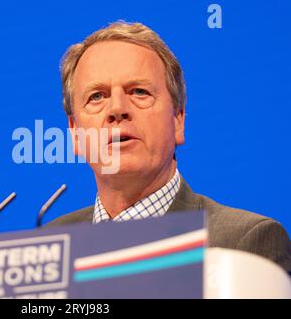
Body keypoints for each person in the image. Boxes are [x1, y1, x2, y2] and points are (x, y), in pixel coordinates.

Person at [46, 21, 291, 273]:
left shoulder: (242, 246)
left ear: (178, 120)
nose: (117, 108)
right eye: (97, 96)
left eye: (139, 92)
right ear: (75, 133)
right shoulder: (51, 246)